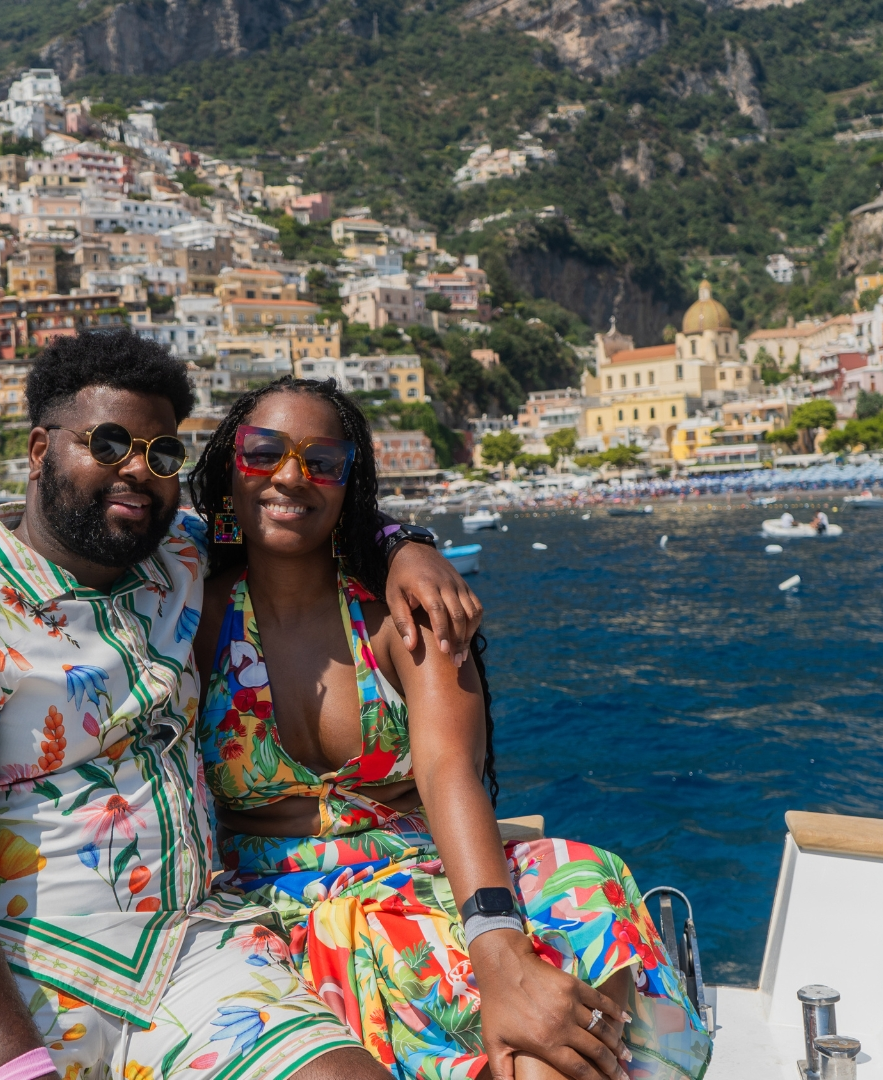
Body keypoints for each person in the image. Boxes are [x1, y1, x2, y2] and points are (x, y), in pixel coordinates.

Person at [0, 333, 481, 1080]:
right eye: (108, 443)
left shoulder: (173, 555)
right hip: (17, 960)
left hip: (193, 949)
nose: (138, 470)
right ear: (39, 448)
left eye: (162, 453)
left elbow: (294, 511)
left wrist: (405, 546)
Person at [186, 378, 712, 1080]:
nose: (291, 476)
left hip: (421, 872)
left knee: (584, 880)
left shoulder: (403, 615)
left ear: (350, 485)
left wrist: (497, 945)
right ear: (230, 471)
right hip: (271, 900)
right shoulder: (189, 617)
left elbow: (447, 770)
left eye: (323, 462)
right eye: (263, 453)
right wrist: (406, 541)